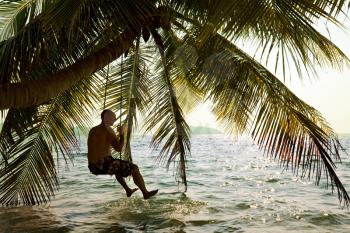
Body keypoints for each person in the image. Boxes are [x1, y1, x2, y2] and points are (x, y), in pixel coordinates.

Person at [87, 109, 158, 199]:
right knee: (134, 168)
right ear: (106, 117)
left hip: (93, 167)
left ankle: (128, 190)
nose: (115, 120)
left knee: (117, 167)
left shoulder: (92, 130)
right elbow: (119, 148)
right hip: (103, 164)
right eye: (113, 117)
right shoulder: (108, 130)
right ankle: (145, 193)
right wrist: (121, 134)